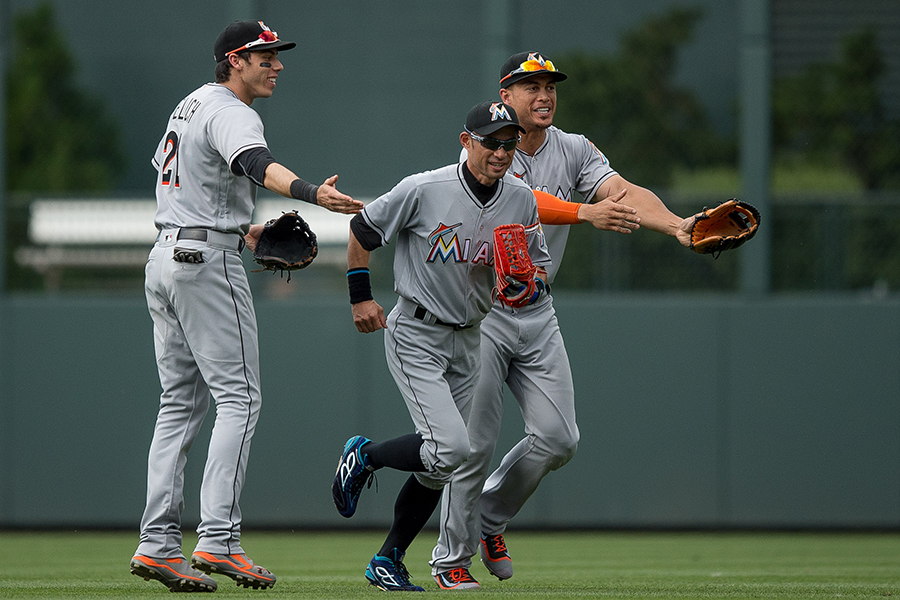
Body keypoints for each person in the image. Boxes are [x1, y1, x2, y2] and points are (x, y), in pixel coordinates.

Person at [430, 51, 696, 589]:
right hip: (481, 315)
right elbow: (521, 200)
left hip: (537, 310)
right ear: (505, 96)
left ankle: (489, 517)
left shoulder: (572, 148)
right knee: (475, 443)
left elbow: (621, 192)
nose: (544, 95)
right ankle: (450, 561)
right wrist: (584, 212)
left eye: (550, 86)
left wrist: (675, 225)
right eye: (530, 86)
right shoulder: (487, 148)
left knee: (559, 438)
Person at [130, 20, 363, 593]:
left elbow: (190, 184)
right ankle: (220, 540)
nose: (276, 64)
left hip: (167, 254)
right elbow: (256, 165)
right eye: (264, 56)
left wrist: (242, 230)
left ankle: (158, 545)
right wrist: (314, 194)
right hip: (205, 266)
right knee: (241, 398)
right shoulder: (234, 111)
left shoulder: (189, 105)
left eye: (276, 55)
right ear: (234, 60)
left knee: (178, 405)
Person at [331, 100, 552, 592]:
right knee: (451, 448)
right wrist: (360, 297)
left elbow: (534, 269)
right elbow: (362, 230)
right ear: (465, 141)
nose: (500, 151)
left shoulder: (520, 198)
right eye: (490, 141)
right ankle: (366, 454)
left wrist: (527, 284)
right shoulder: (424, 188)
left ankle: (388, 557)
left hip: (472, 336)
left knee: (443, 464)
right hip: (417, 331)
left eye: (509, 142)